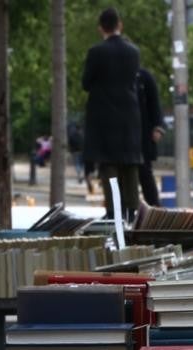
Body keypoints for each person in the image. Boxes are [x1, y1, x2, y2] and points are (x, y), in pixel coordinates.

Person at [82, 7, 142, 220]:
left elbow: (86, 83)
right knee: (130, 165)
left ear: (101, 28)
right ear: (120, 25)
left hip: (105, 117)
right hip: (129, 116)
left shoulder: (96, 52)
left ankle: (114, 211)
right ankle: (132, 210)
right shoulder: (133, 52)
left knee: (109, 166)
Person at [136, 66, 165, 207]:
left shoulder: (143, 77)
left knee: (145, 173)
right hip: (128, 134)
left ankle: (154, 207)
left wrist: (158, 127)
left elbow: (154, 103)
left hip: (142, 134)